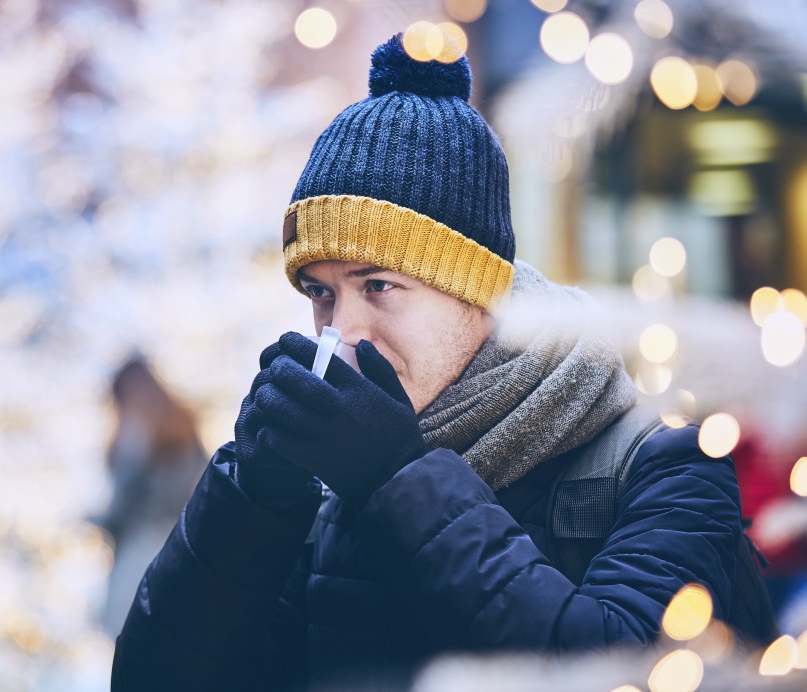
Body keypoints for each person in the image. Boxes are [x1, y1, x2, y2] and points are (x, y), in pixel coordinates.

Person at [111, 34, 744, 691]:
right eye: (321, 294)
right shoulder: (327, 494)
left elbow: (620, 673)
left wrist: (398, 479)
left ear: (479, 295)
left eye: (378, 286)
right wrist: (251, 495)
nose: (344, 331)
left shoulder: (665, 467)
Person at [95, 356, 206, 638]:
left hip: (141, 556)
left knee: (134, 642)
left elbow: (123, 508)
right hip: (183, 549)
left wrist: (94, 519)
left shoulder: (135, 437)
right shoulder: (186, 427)